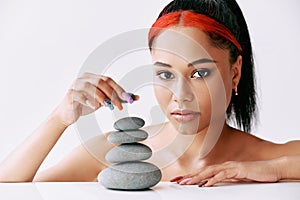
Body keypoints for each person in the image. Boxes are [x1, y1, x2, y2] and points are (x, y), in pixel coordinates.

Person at [0, 0, 299, 187]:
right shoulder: (114, 155)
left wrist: (273, 169)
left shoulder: (264, 157)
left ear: (234, 73)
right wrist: (59, 118)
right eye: (166, 74)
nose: (180, 95)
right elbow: (11, 185)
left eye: (199, 73)